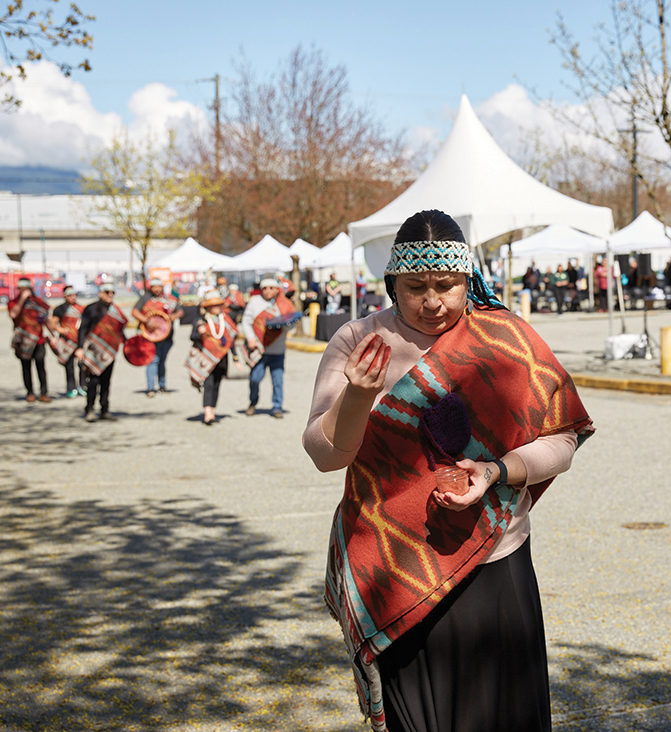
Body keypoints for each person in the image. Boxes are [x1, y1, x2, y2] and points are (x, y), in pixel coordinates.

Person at [303, 209, 594, 732]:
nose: (433, 301)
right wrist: (359, 397)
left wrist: (499, 471)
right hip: (396, 572)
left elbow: (563, 438)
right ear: (392, 281)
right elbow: (326, 455)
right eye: (416, 287)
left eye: (448, 285)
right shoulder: (358, 342)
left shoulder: (506, 340)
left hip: (495, 566)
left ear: (469, 279)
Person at [186, 290, 242, 425]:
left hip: (221, 359)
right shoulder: (201, 320)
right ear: (208, 307)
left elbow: (230, 341)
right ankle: (207, 413)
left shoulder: (226, 320)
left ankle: (213, 411)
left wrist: (235, 358)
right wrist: (199, 333)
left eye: (219, 305)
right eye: (214, 305)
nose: (217, 308)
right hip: (206, 359)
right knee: (209, 384)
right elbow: (192, 337)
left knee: (217, 384)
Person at [242, 277, 294, 418]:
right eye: (265, 288)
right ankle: (253, 402)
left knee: (277, 380)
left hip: (277, 349)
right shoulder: (254, 303)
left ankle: (277, 407)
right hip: (259, 349)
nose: (268, 291)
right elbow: (246, 321)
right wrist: (250, 337)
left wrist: (285, 326)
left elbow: (292, 321)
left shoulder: (285, 304)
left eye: (271, 288)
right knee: (255, 379)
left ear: (277, 289)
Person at [75, 283, 127, 422]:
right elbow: (82, 329)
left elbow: (120, 331)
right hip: (93, 350)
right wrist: (79, 348)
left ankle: (105, 410)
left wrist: (128, 343)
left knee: (106, 381)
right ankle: (90, 409)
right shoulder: (91, 308)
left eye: (112, 292)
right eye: (107, 292)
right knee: (93, 381)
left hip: (109, 351)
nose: (110, 294)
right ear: (100, 293)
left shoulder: (115, 311)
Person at [131, 277, 184, 397]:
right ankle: (151, 388)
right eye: (154, 287)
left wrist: (174, 316)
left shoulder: (169, 299)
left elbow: (180, 311)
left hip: (166, 336)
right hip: (150, 336)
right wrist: (146, 321)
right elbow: (135, 312)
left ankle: (162, 385)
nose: (156, 289)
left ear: (162, 287)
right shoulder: (146, 298)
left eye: (158, 287)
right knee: (153, 360)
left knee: (162, 360)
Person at [8, 277, 52, 403]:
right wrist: (22, 299)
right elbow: (13, 314)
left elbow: (45, 318)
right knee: (26, 367)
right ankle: (30, 392)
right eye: (23, 289)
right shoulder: (14, 302)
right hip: (23, 340)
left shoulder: (37, 302)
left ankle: (43, 392)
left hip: (38, 340)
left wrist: (52, 334)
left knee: (41, 366)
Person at [49, 285, 87, 398]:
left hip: (79, 339)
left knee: (82, 364)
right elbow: (52, 323)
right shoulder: (60, 309)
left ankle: (83, 386)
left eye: (75, 295)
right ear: (65, 296)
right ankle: (71, 388)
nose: (73, 297)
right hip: (66, 341)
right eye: (71, 295)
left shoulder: (81, 308)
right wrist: (61, 330)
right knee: (69, 365)